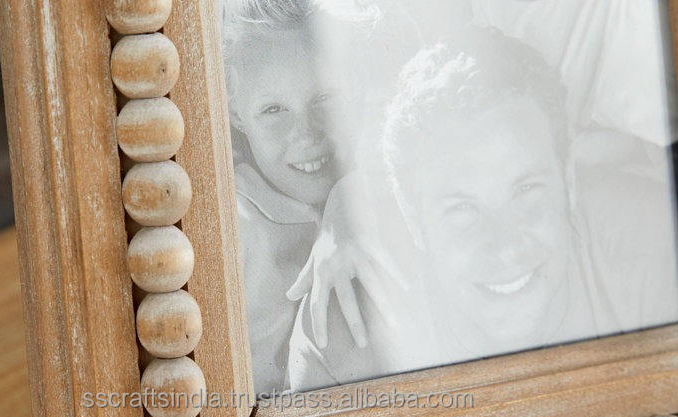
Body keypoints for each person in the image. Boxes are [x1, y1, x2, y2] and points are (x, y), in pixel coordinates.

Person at [287, 26, 678, 391]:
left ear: (569, 183)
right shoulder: (345, 345)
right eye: (462, 209)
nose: (504, 247)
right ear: (413, 219)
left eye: (526, 190)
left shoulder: (653, 247)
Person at [222, 0, 349, 395]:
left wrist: (346, 200)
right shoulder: (236, 230)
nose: (306, 133)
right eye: (273, 109)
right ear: (235, 112)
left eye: (323, 98)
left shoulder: (365, 178)